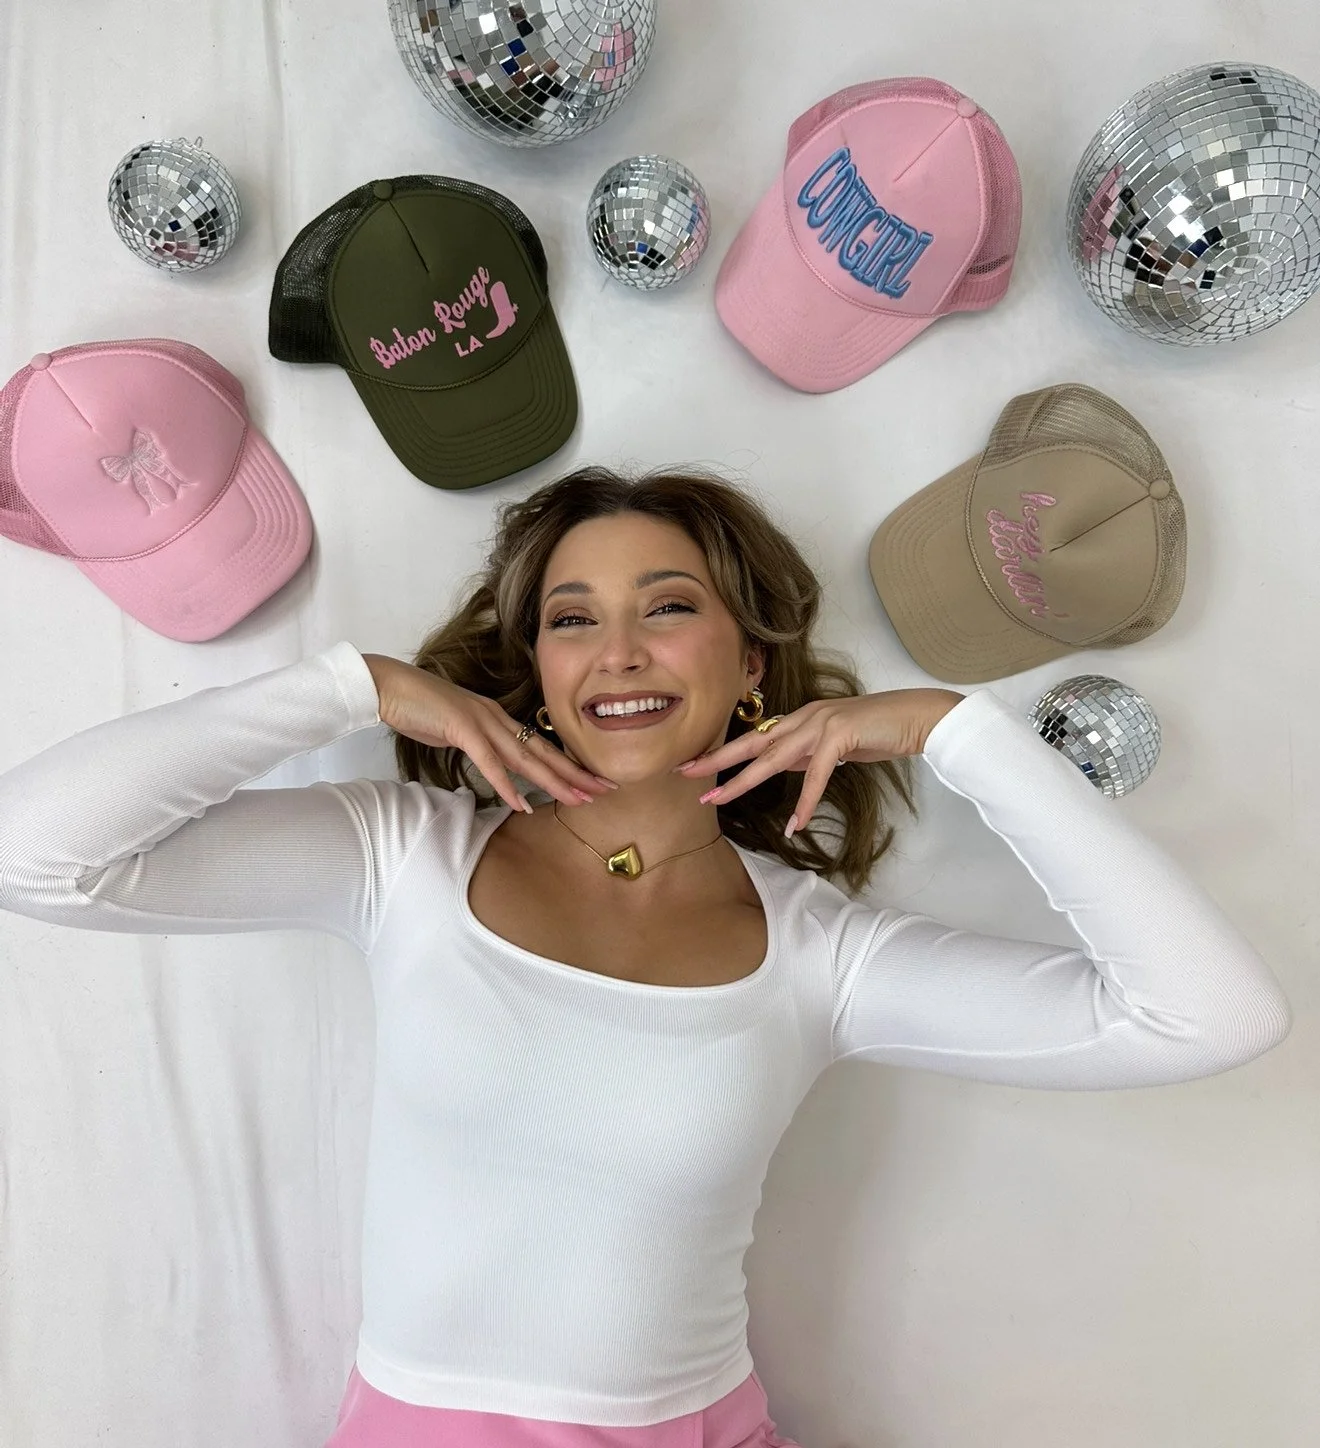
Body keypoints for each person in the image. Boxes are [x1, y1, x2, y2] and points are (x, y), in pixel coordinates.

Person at [0, 466, 1291, 1448]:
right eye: (573, 620)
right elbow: (34, 854)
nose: (616, 651)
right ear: (538, 671)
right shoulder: (402, 854)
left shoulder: (820, 956)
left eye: (668, 609)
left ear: (748, 665)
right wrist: (355, 689)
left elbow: (1208, 1018)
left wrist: (959, 734)